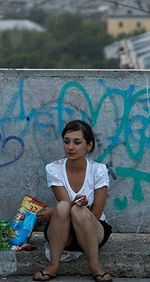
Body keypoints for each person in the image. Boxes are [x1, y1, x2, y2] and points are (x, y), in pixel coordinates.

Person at [33, 120, 113, 282]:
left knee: (78, 210)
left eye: (77, 142)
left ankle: (95, 266)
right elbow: (64, 207)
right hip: (64, 233)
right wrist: (59, 209)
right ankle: (54, 266)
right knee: (63, 206)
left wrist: (55, 210)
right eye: (66, 141)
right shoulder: (54, 168)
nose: (70, 147)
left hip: (92, 231)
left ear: (88, 146)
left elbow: (96, 213)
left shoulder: (98, 170)